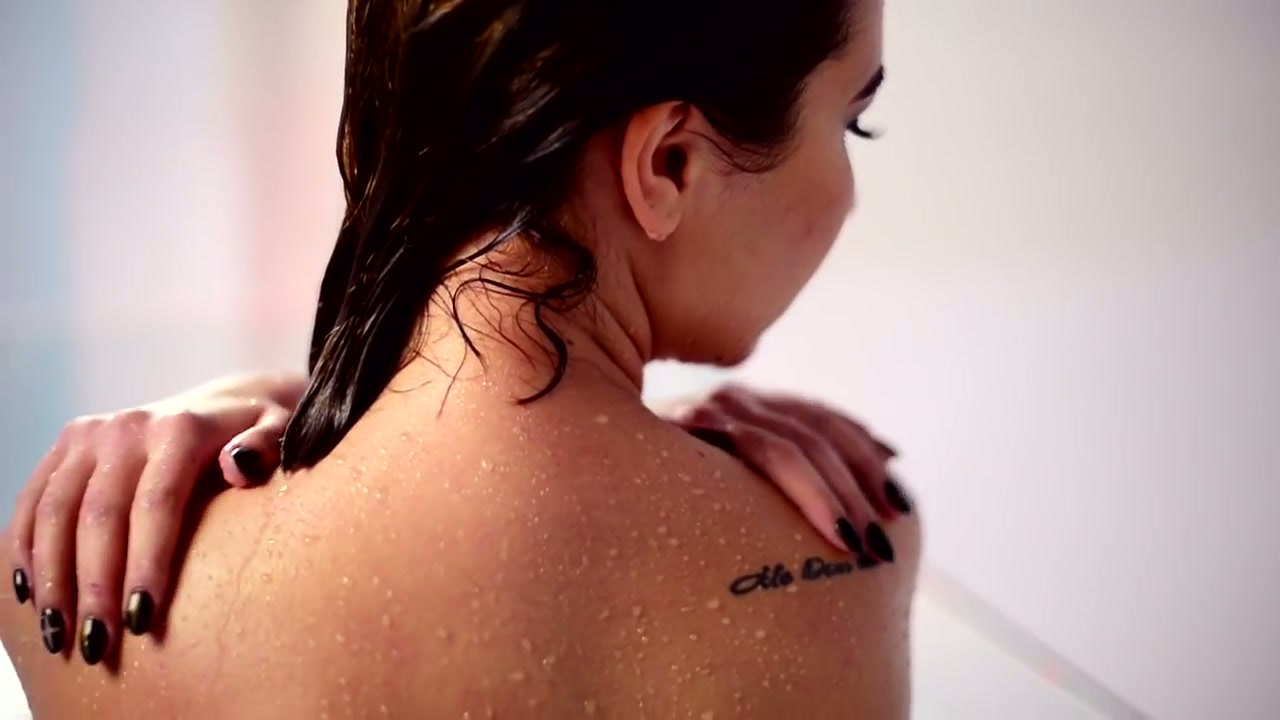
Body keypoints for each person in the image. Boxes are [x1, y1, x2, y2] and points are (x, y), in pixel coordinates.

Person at [1, 0, 919, 716]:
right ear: (669, 162)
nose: (848, 199)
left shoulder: (88, 590)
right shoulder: (847, 560)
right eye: (851, 123)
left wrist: (292, 402)